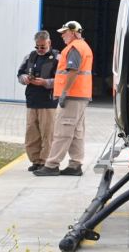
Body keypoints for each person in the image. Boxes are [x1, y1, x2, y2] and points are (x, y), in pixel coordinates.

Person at [34, 21, 93, 177]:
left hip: (73, 95)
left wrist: (65, 92)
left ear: (73, 32)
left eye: (64, 32)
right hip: (80, 95)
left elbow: (73, 71)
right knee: (76, 131)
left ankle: (52, 165)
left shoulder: (74, 48)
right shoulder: (83, 46)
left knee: (62, 130)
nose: (62, 35)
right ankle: (75, 165)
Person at [17, 30, 60, 171]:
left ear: (49, 43)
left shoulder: (57, 58)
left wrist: (45, 83)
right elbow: (20, 74)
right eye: (37, 46)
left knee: (48, 134)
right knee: (32, 133)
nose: (40, 50)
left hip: (48, 103)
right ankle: (35, 161)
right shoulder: (30, 56)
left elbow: (62, 79)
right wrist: (25, 79)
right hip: (32, 100)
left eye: (43, 47)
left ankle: (45, 162)